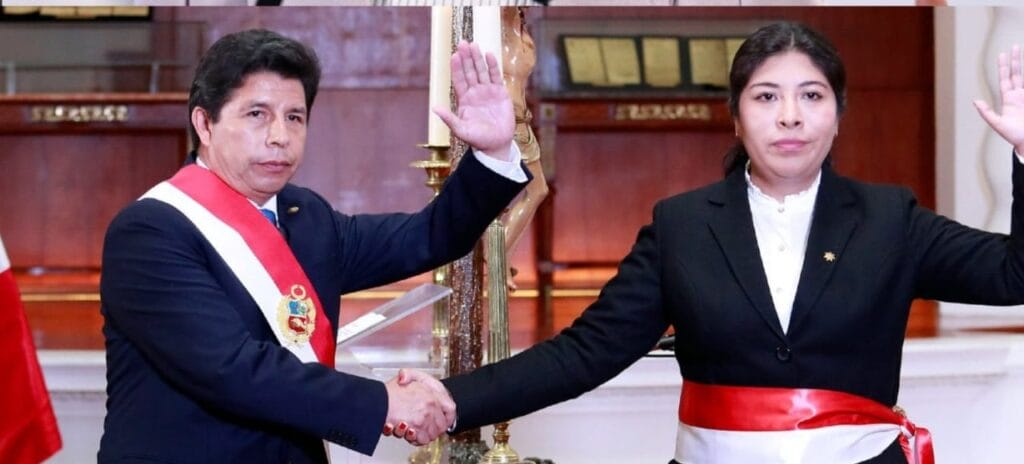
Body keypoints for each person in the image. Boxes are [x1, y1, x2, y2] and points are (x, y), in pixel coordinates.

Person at [398, 22, 1024, 464]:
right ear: (736, 116)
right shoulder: (683, 226)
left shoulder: (891, 219)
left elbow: (1012, 274)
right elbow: (585, 353)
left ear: (838, 114)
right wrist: (453, 399)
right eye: (766, 96)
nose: (790, 115)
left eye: (811, 96)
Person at [98, 29, 525, 462]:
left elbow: (428, 237)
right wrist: (384, 403)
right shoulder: (150, 231)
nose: (279, 136)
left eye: (294, 117)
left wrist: (491, 153)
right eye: (257, 115)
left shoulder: (307, 216)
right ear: (205, 124)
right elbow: (233, 369)